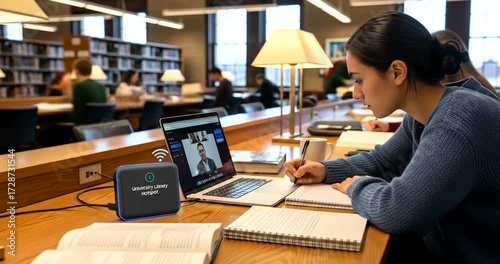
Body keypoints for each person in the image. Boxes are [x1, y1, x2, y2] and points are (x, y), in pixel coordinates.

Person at [285, 12, 500, 263]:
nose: (355, 93)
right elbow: (384, 162)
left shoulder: (457, 119)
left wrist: (356, 186)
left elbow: (399, 212)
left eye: (359, 80)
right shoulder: (428, 111)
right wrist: (324, 169)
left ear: (397, 72)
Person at [365, 28, 498, 132]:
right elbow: (430, 124)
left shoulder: (461, 101)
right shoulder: (482, 89)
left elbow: (444, 128)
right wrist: (390, 126)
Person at [72, 59, 107, 124]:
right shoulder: (101, 87)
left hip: (84, 123)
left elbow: (77, 112)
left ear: (77, 71)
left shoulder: (78, 86)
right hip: (101, 123)